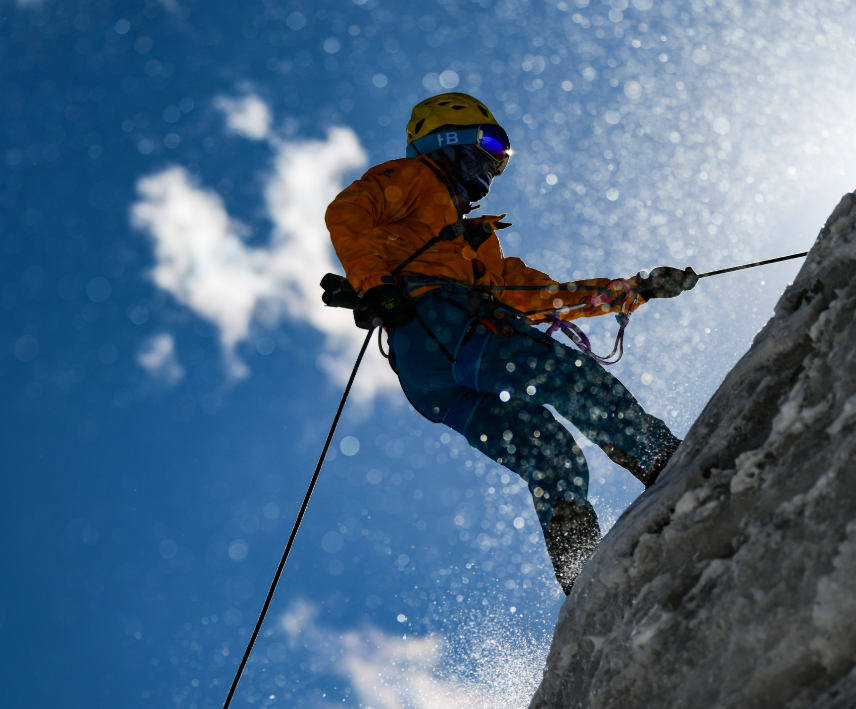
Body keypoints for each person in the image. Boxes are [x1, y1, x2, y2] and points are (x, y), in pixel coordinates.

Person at [325, 93, 697, 595]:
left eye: (504, 156)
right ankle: (664, 459)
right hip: (447, 319)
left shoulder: (475, 247)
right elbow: (350, 209)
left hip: (427, 370)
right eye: (494, 144)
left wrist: (635, 290)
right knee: (569, 379)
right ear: (448, 136)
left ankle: (583, 576)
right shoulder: (417, 181)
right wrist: (375, 283)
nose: (497, 162)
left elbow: (542, 296)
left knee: (550, 457)